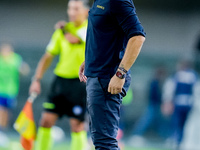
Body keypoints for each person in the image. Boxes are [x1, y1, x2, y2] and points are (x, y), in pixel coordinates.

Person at [79, 0, 146, 149]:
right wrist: (89, 59)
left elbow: (138, 37)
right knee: (101, 141)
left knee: (105, 143)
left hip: (107, 79)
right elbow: (105, 35)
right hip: (97, 75)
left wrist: (120, 74)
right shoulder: (99, 1)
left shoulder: (117, 1)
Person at [29, 0, 88, 150]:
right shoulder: (62, 31)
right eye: (70, 9)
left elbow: (74, 40)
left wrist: (63, 29)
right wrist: (36, 79)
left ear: (86, 12)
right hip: (60, 82)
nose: (72, 12)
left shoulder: (90, 29)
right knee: (46, 121)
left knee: (77, 125)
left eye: (76, 9)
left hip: (79, 82)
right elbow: (48, 57)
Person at [162, 59, 198, 149]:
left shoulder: (177, 75)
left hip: (178, 102)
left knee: (176, 122)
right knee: (183, 123)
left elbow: (169, 89)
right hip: (188, 103)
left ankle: (174, 139)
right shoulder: (194, 76)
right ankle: (180, 140)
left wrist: (167, 101)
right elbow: (196, 91)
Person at [0, 43, 29, 147]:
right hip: (0, 90)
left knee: (6, 112)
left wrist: (21, 70)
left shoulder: (16, 59)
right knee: (1, 110)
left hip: (11, 90)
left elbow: (24, 70)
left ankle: (3, 131)